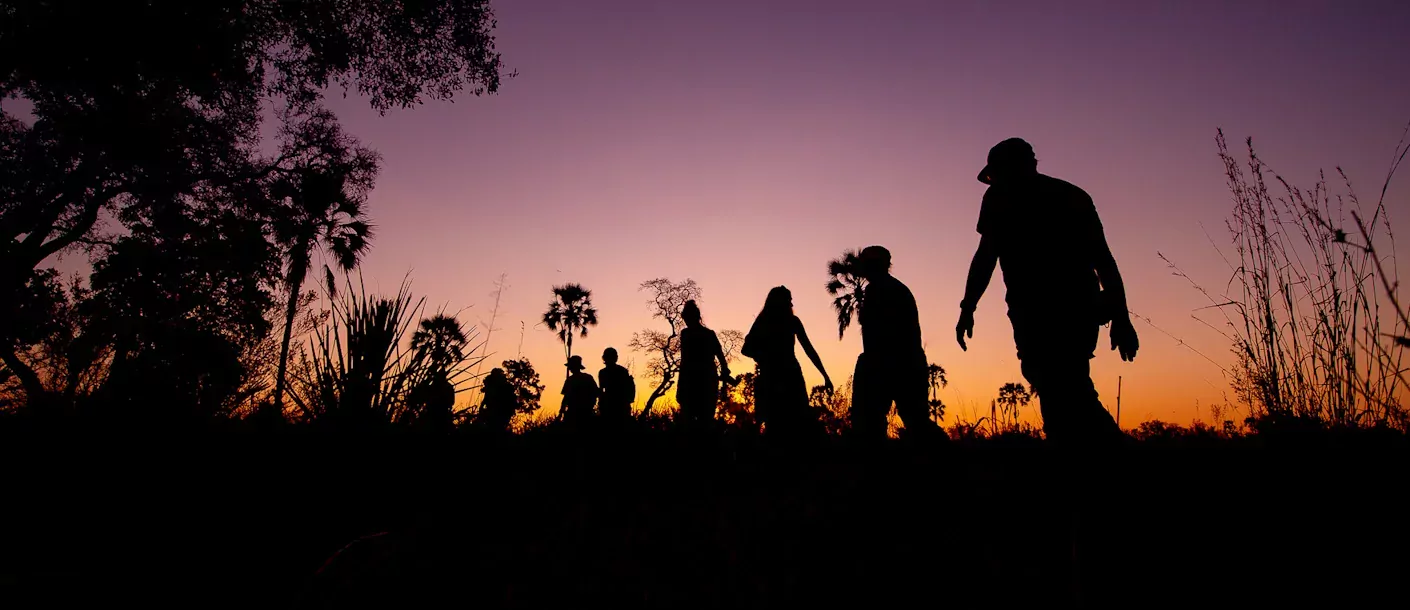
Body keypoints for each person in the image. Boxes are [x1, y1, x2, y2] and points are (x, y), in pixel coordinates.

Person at [956, 138, 1138, 446]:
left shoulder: (1004, 199)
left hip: (1057, 309)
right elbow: (1103, 261)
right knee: (1061, 384)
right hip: (1060, 308)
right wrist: (967, 307)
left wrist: (1121, 318)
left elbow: (987, 255)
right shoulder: (1068, 196)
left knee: (1063, 386)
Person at [849, 246, 945, 442]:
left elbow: (881, 333)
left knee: (875, 422)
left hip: (893, 363)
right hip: (904, 363)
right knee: (915, 421)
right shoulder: (892, 288)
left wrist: (872, 364)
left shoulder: (880, 290)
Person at [742, 286, 833, 438]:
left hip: (792, 376)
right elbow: (746, 349)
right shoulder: (764, 322)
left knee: (796, 421)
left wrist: (825, 375)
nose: (791, 304)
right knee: (777, 423)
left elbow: (809, 349)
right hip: (773, 377)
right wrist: (765, 359)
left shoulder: (792, 321)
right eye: (788, 300)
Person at [676, 300, 729, 427]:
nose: (686, 321)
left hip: (698, 382)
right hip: (703, 381)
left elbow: (685, 362)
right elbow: (721, 359)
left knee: (695, 423)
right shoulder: (704, 334)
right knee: (703, 422)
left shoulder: (687, 334)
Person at [598, 347, 635, 422]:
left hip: (620, 405)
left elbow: (629, 387)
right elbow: (601, 390)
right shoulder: (603, 372)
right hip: (610, 405)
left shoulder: (621, 371)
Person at [560, 355, 598, 426]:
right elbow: (596, 393)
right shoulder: (587, 378)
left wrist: (561, 412)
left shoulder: (570, 380)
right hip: (584, 412)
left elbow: (565, 398)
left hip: (577, 413)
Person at [476, 367, 517, 433]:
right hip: (493, 412)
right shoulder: (491, 384)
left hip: (501, 413)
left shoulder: (505, 387)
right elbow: (486, 398)